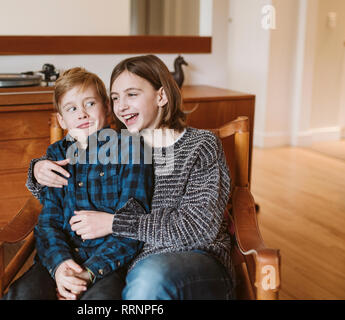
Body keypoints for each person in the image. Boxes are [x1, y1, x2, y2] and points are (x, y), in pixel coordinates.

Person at [28, 55, 235, 300]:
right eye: (115, 98)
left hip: (196, 258)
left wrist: (114, 223)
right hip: (131, 262)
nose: (121, 106)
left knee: (147, 281)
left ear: (161, 96)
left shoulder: (200, 145)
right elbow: (67, 193)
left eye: (132, 94)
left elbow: (198, 229)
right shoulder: (117, 146)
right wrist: (37, 170)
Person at [3, 67, 154, 300]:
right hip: (60, 257)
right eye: (72, 108)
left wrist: (89, 272)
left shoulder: (131, 149)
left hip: (108, 263)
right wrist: (61, 266)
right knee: (22, 294)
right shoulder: (56, 155)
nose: (82, 114)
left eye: (90, 104)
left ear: (106, 107)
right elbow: (48, 223)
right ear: (62, 120)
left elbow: (132, 223)